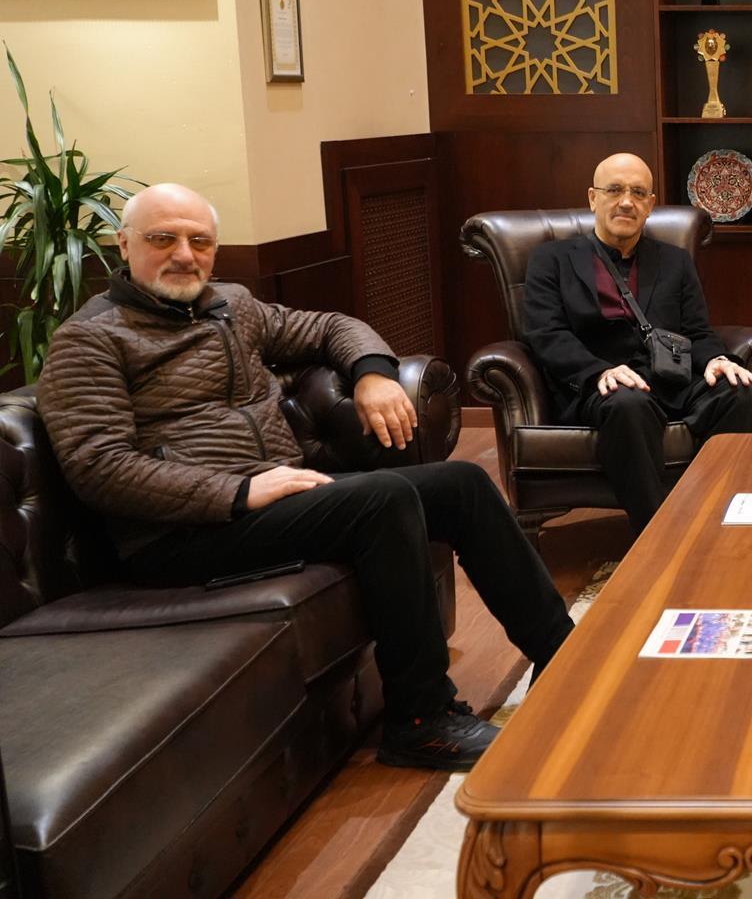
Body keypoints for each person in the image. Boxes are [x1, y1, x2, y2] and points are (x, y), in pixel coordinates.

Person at [36, 184, 573, 771]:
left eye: (200, 241)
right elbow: (99, 467)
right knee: (385, 498)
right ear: (124, 244)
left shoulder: (231, 306)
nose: (185, 255)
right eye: (163, 239)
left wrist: (373, 374)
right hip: (180, 533)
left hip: (277, 497)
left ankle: (566, 656)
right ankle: (421, 722)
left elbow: (330, 326)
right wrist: (239, 492)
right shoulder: (88, 339)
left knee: (461, 484)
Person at [521, 152, 752, 534]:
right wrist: (597, 371)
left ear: (650, 205)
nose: (626, 202)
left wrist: (716, 359)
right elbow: (545, 333)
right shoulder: (552, 260)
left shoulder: (674, 261)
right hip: (601, 386)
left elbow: (697, 331)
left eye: (637, 193)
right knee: (628, 403)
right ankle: (657, 535)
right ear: (593, 198)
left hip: (670, 380)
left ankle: (715, 518)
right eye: (614, 190)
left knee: (741, 392)